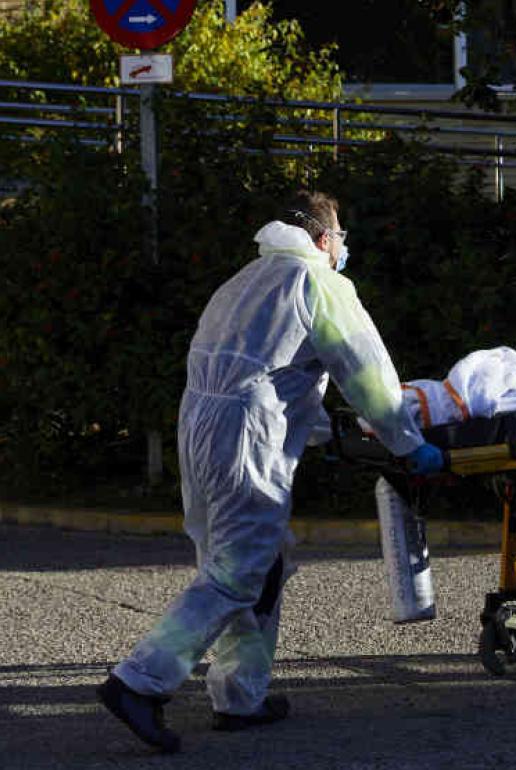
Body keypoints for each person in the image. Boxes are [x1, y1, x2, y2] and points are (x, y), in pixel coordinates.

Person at [97, 191, 445, 753]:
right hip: (246, 439)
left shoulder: (243, 281)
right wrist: (407, 443)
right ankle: (139, 682)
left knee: (252, 564)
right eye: (340, 241)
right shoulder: (319, 283)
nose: (341, 251)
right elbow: (369, 377)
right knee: (239, 571)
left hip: (203, 427)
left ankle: (241, 698)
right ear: (325, 239)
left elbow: (265, 371)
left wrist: (322, 433)